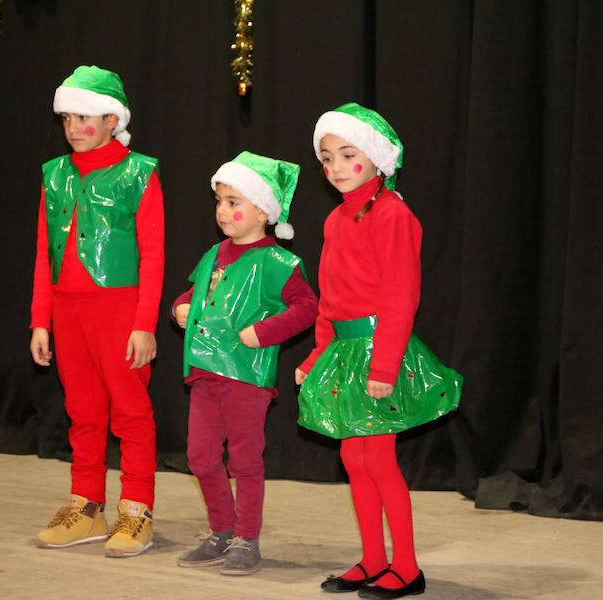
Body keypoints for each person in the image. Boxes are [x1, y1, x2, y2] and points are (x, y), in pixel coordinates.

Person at [297, 102, 462, 598]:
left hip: (379, 350)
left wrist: (385, 364)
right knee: (353, 458)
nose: (337, 168)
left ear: (375, 158)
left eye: (349, 155)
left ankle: (407, 567)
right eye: (327, 159)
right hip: (346, 353)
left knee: (379, 460)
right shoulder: (334, 221)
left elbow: (400, 297)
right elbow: (330, 301)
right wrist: (314, 358)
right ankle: (372, 558)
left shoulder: (392, 215)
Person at [29, 65, 164, 558]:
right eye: (67, 119)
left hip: (119, 308)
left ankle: (136, 509)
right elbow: (44, 253)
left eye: (85, 118)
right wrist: (40, 319)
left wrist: (144, 324)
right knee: (82, 410)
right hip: (68, 310)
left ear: (112, 119)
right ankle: (86, 507)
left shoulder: (139, 173)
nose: (74, 128)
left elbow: (154, 254)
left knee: (130, 411)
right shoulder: (54, 174)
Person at [171, 151, 318, 576]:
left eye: (235, 201)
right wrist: (179, 308)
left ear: (264, 211)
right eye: (220, 201)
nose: (223, 210)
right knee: (200, 457)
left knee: (245, 461)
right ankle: (221, 530)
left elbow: (307, 307)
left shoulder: (277, 263)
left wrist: (263, 332)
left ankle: (246, 538)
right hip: (204, 374)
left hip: (245, 378)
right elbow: (192, 294)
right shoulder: (214, 254)